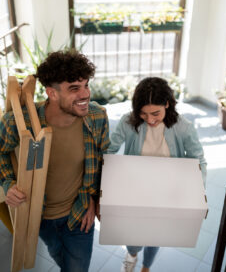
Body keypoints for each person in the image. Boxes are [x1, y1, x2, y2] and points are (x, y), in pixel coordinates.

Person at [0, 50, 110, 272]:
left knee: (76, 268)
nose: (85, 94)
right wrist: (8, 183)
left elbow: (104, 162)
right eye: (74, 88)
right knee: (58, 255)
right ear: (52, 93)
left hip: (79, 214)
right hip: (38, 217)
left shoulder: (97, 117)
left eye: (86, 85)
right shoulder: (19, 124)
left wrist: (94, 197)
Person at [108, 77, 207, 272]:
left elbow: (198, 160)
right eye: (143, 114)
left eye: (156, 113)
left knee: (156, 235)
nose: (150, 120)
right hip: (136, 191)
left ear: (167, 104)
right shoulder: (128, 122)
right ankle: (132, 254)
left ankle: (146, 267)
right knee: (133, 235)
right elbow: (109, 151)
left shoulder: (183, 127)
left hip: (167, 192)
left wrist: (197, 192)